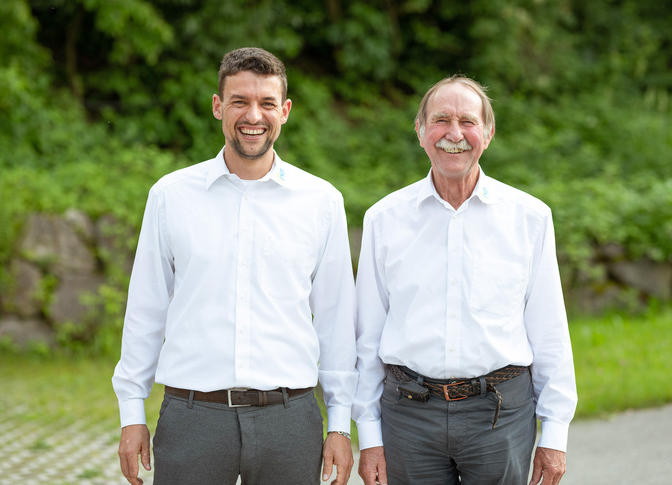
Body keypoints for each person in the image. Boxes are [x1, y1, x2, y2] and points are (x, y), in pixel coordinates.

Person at [113, 47, 357, 485]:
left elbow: (337, 321)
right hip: (192, 418)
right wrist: (132, 413)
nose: (253, 115)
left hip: (290, 421)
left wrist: (339, 423)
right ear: (217, 106)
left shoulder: (322, 202)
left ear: (284, 111)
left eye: (266, 103)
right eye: (240, 101)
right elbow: (145, 310)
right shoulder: (170, 196)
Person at [352, 75, 577, 485]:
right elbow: (368, 336)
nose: (454, 134)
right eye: (441, 120)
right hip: (408, 418)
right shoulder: (383, 219)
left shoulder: (529, 218)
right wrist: (368, 435)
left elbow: (549, 331)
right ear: (420, 131)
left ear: (488, 134)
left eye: (468, 122)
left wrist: (555, 433)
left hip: (501, 416)